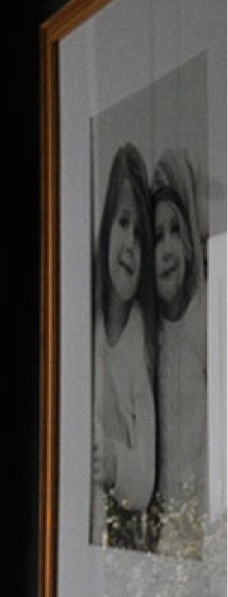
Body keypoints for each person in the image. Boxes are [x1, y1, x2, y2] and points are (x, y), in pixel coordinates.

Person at [90, 142, 155, 548]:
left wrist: (115, 463)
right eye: (123, 222)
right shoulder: (88, 322)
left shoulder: (141, 345)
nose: (130, 242)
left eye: (140, 236)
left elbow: (145, 477)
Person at [148, 150, 209, 557]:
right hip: (167, 527)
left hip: (203, 516)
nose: (168, 248)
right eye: (157, 237)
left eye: (175, 231)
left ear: (188, 243)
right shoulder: (152, 336)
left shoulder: (203, 320)